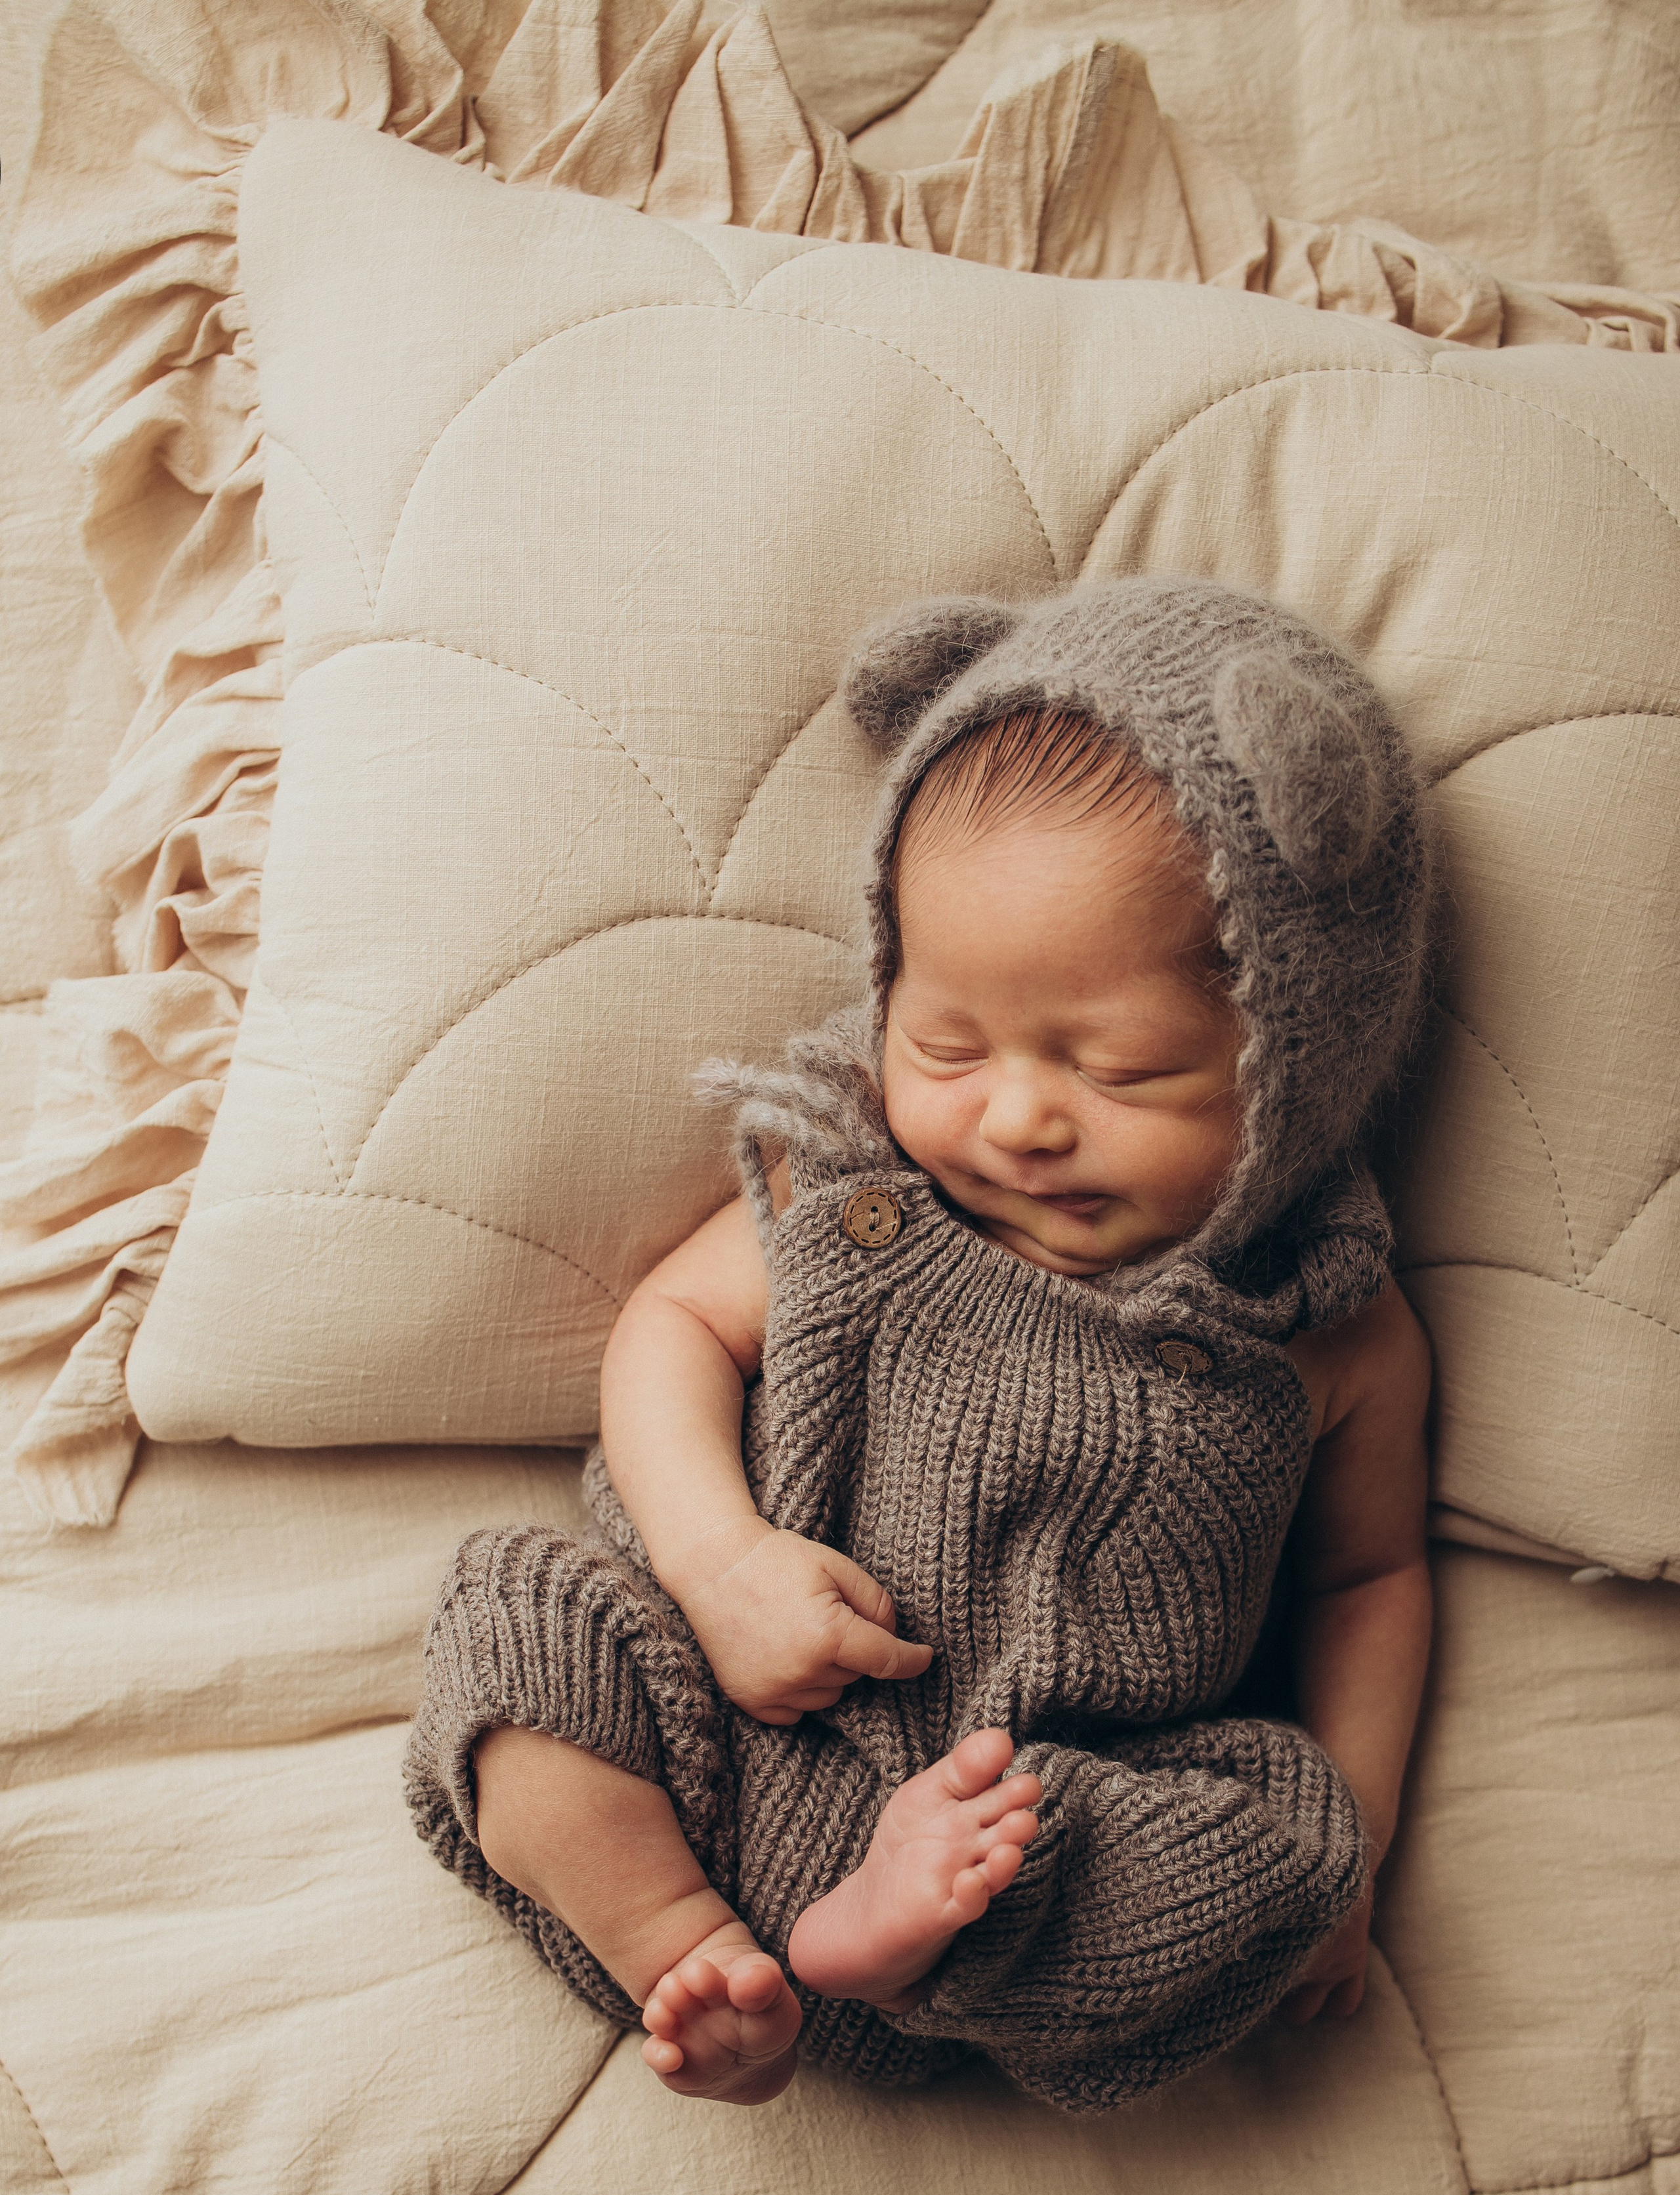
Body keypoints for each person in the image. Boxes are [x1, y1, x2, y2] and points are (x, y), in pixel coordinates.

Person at [406, 576, 1435, 2114]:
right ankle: (682, 1955)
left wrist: (1344, 1853)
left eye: (1123, 1071)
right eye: (946, 1045)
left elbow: (1366, 1584)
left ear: (1302, 1055)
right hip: (721, 1737)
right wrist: (720, 1563)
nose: (1016, 1117)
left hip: (1039, 1838)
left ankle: (889, 1949)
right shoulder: (850, 1190)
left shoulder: (1323, 1326)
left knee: (1272, 1838)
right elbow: (670, 1327)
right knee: (518, 1617)